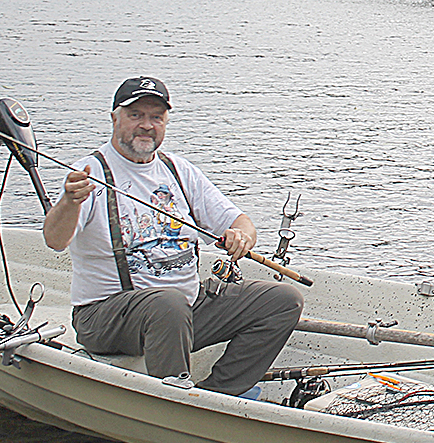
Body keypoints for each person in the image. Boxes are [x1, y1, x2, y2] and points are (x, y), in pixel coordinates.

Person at [42, 76, 304, 397]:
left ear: (166, 121)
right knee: (168, 304)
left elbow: (240, 221)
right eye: (135, 115)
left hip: (182, 310)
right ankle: (174, 401)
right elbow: (55, 240)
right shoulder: (89, 174)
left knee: (283, 300)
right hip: (105, 317)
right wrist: (69, 202)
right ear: (114, 118)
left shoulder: (179, 171)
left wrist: (242, 236)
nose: (147, 125)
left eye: (156, 117)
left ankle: (219, 395)